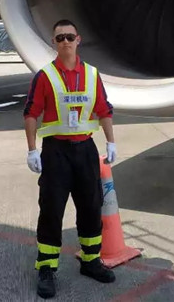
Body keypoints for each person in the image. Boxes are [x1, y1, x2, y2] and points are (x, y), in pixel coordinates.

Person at [24, 19, 117, 299]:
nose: (65, 41)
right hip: (56, 152)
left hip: (85, 149)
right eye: (59, 37)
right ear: (54, 43)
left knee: (91, 205)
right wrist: (32, 149)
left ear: (78, 39)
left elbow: (104, 109)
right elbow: (31, 113)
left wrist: (111, 141)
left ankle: (91, 260)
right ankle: (46, 267)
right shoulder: (45, 76)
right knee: (52, 209)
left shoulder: (92, 75)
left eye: (69, 36)